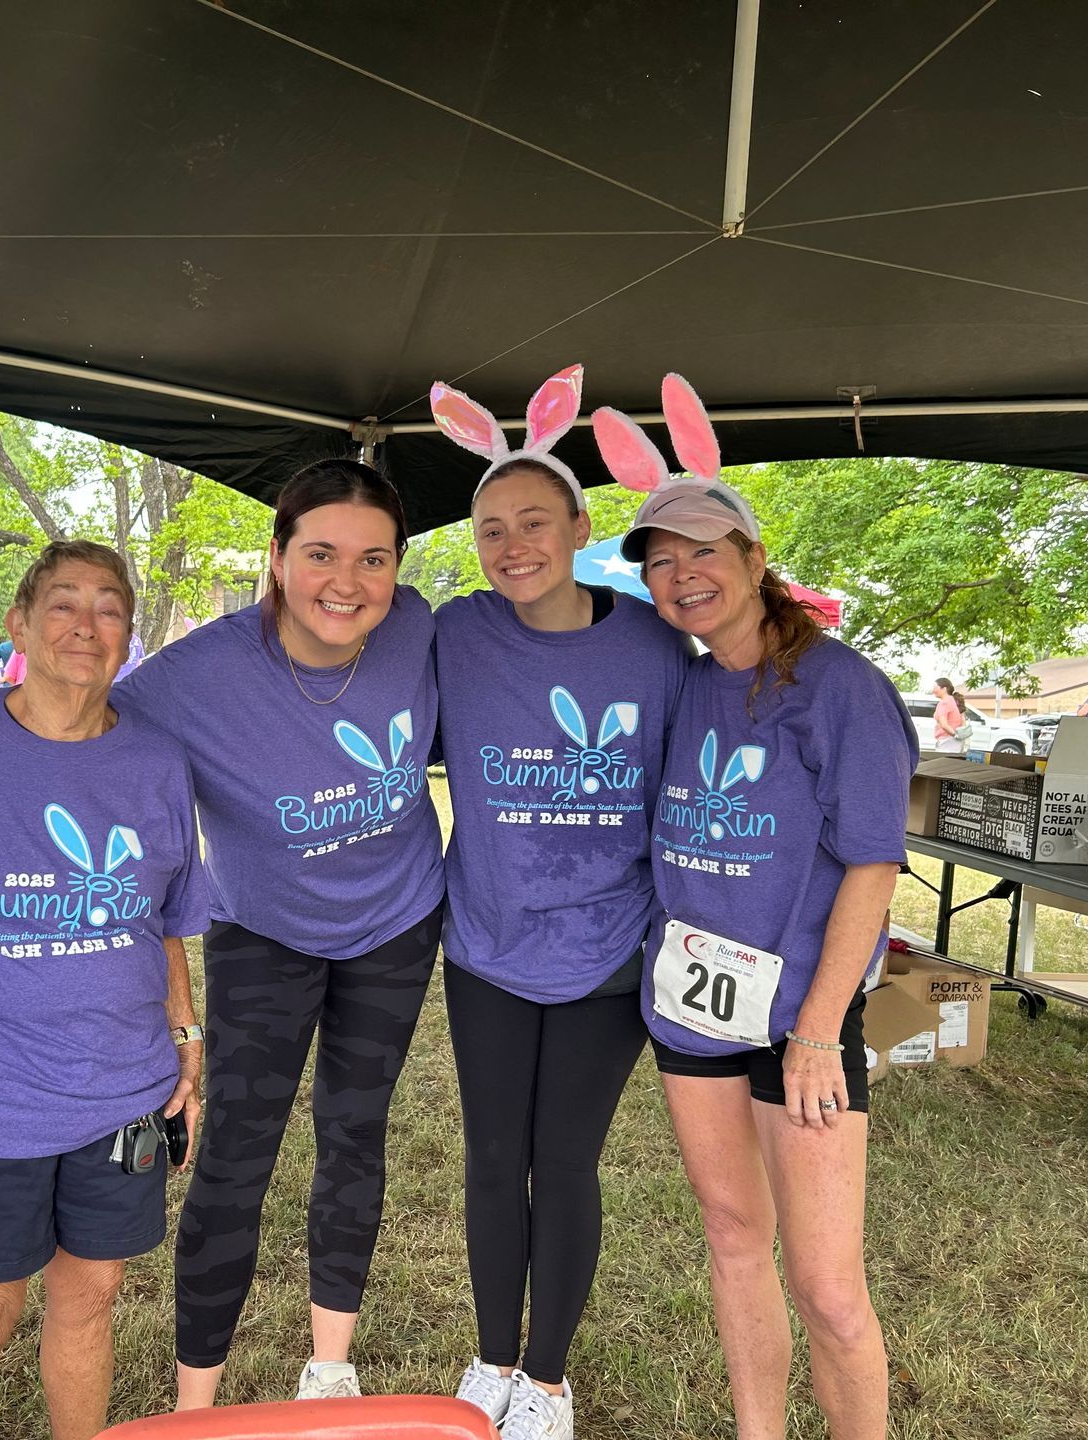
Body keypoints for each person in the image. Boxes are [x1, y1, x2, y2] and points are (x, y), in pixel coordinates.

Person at [598, 375, 915, 1440]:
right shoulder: (686, 685)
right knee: (734, 1238)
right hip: (691, 1009)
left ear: (749, 557)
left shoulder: (839, 688)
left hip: (800, 1025)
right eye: (661, 561)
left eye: (701, 552)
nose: (682, 575)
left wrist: (821, 1031)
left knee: (828, 1287)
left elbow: (873, 866)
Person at [114, 458, 445, 1407]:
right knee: (236, 1152)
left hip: (397, 922)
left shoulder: (417, 627)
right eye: (322, 554)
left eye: (374, 558)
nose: (348, 582)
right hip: (263, 931)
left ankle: (329, 1372)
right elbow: (86, 733)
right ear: (277, 557)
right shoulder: (196, 675)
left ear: (398, 567)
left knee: (355, 1130)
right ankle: (194, 1405)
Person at [429, 367, 690, 1439]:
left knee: (564, 1159)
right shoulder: (456, 634)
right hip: (485, 941)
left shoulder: (652, 643)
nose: (512, 544)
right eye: (491, 528)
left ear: (581, 524)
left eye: (534, 520)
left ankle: (546, 1378)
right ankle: (492, 1359)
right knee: (494, 1156)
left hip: (608, 949)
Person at [0, 541, 207, 1440]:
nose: (86, 625)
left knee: (93, 1297)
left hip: (120, 1086)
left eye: (108, 607)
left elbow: (161, 920)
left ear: (129, 633)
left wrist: (188, 1041)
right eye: (64, 604)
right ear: (20, 624)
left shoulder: (156, 760)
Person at [931, 676, 968, 754]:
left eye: (935, 687)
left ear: (944, 689)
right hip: (957, 742)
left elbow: (944, 725)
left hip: (947, 741)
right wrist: (960, 736)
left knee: (943, 765)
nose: (933, 690)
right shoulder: (956, 700)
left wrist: (956, 735)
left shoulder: (944, 703)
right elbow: (963, 720)